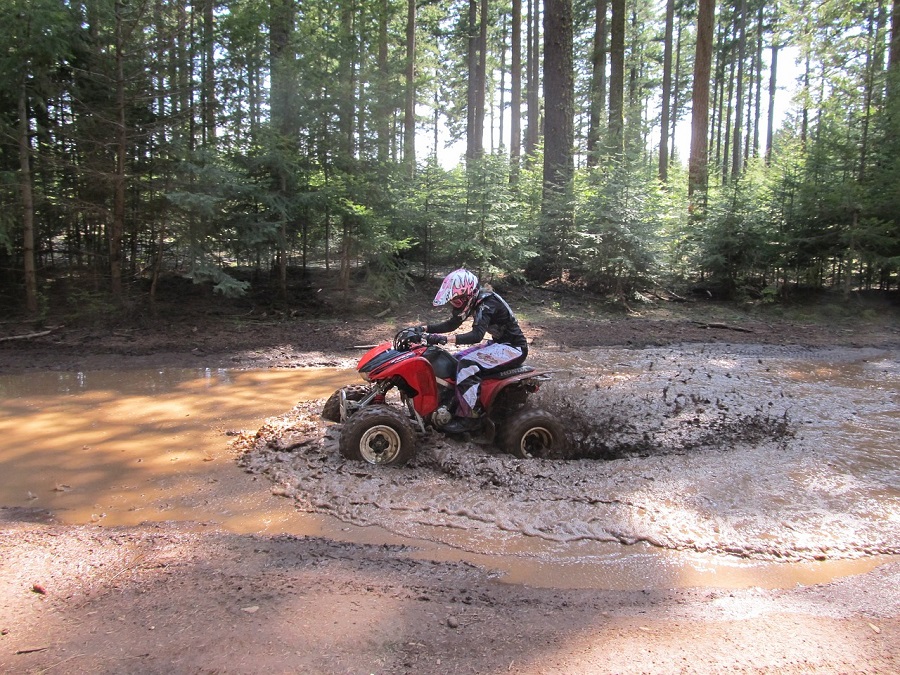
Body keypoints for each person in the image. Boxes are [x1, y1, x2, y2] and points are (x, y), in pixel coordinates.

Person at [423, 268, 528, 432]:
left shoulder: (487, 303)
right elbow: (452, 324)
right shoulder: (474, 300)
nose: (455, 304)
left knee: (466, 365)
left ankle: (471, 418)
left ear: (468, 293)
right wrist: (423, 329)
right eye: (453, 300)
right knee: (452, 361)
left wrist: (444, 339)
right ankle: (448, 405)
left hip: (514, 348)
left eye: (457, 300)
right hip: (499, 344)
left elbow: (477, 335)